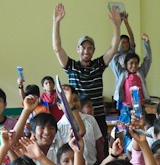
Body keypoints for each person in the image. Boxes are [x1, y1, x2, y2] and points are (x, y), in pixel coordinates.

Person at [52, 3, 122, 153]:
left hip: (97, 116)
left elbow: (113, 48)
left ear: (93, 50)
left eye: (90, 48)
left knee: (99, 152)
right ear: (78, 49)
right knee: (78, 151)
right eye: (83, 47)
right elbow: (57, 49)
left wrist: (117, 25)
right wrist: (56, 22)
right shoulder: (71, 66)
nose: (86, 50)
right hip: (77, 118)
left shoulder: (99, 65)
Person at [56, 85, 104, 165]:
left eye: (75, 100)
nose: (73, 104)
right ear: (59, 106)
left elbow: (98, 145)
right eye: (67, 102)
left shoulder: (90, 119)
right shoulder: (58, 128)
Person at [111, 33, 152, 121]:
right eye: (131, 63)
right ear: (126, 64)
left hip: (140, 108)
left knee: (140, 130)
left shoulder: (141, 73)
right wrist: (121, 48)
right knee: (127, 131)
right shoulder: (121, 73)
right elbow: (113, 60)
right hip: (126, 108)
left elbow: (148, 59)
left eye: (136, 63)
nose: (134, 66)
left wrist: (146, 43)